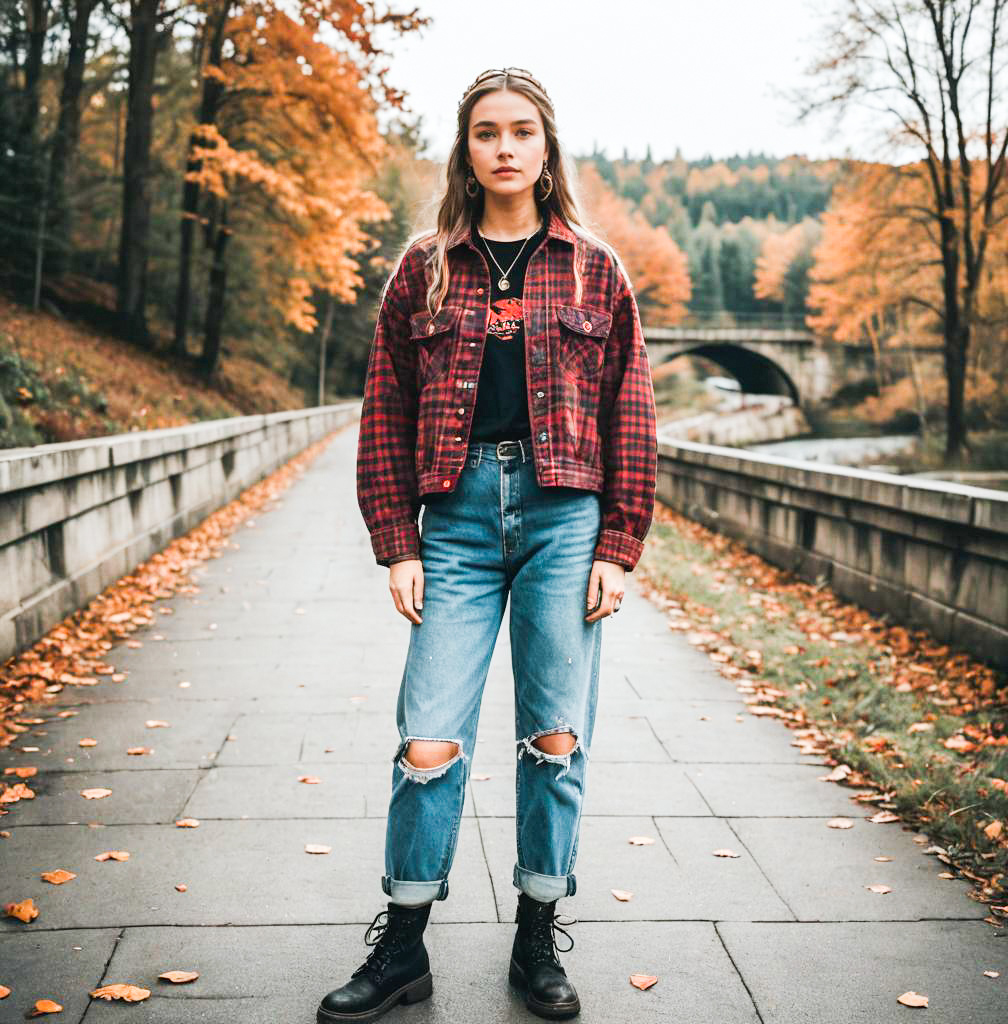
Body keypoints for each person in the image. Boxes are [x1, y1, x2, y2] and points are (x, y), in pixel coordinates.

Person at [317, 67, 658, 1023]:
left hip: (564, 520)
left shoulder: (597, 269)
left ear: (547, 147)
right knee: (428, 741)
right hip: (456, 521)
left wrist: (618, 546)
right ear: (465, 150)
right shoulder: (422, 269)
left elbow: (631, 407)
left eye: (521, 131)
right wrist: (397, 540)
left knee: (555, 740)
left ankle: (537, 934)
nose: (504, 147)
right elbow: (383, 407)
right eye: (484, 133)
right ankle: (404, 945)